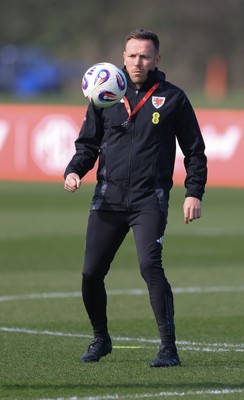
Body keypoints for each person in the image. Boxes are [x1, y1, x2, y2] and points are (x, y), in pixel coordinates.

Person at [64, 28, 207, 367]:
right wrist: (73, 170)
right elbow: (87, 144)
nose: (137, 62)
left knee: (149, 267)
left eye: (144, 56)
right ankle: (101, 338)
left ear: (157, 59)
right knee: (89, 274)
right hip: (108, 199)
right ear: (123, 57)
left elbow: (195, 151)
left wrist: (193, 192)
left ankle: (168, 348)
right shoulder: (104, 95)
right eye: (132, 55)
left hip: (149, 199)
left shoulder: (173, 98)